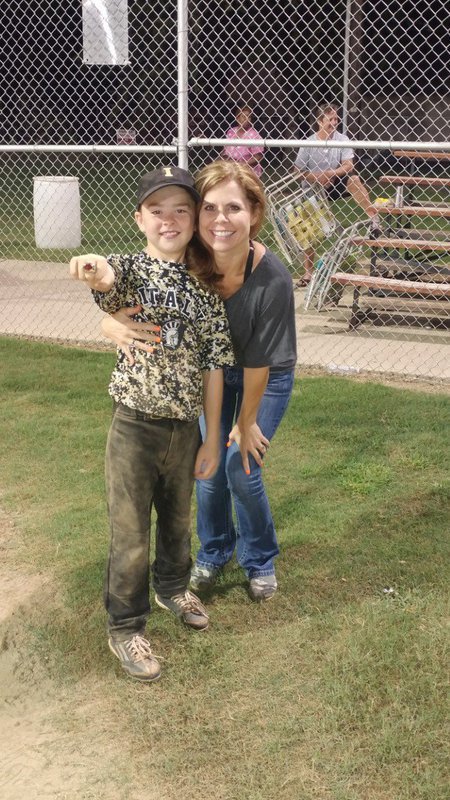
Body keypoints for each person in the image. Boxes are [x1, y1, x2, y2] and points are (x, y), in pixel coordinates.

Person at [100, 161, 297, 602]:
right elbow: (129, 285)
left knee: (240, 466)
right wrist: (109, 322)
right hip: (208, 375)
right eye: (209, 207)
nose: (220, 219)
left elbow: (259, 365)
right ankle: (214, 550)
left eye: (233, 208)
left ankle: (259, 558)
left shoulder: (273, 280)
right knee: (207, 468)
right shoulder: (186, 256)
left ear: (254, 214)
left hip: (264, 375)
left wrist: (245, 423)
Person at [69, 166, 234, 683]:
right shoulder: (132, 269)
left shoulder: (206, 287)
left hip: (185, 429)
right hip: (134, 426)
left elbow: (213, 367)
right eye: (157, 211)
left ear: (195, 218)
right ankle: (125, 627)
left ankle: (172, 589)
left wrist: (210, 437)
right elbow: (106, 276)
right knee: (131, 532)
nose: (169, 220)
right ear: (139, 219)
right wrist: (92, 268)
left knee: (179, 522)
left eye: (181, 210)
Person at [294, 102, 381, 286]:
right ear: (320, 121)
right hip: (313, 186)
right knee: (308, 226)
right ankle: (308, 272)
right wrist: (317, 177)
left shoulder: (342, 139)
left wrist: (331, 174)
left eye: (336, 119)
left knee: (354, 179)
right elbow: (298, 170)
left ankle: (373, 217)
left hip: (334, 181)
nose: (334, 122)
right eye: (330, 119)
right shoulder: (309, 142)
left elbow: (348, 165)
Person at [221, 105, 264, 177]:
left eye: (249, 117)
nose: (247, 119)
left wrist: (241, 165)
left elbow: (258, 157)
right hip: (231, 169)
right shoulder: (231, 132)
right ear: (237, 118)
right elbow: (224, 151)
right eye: (244, 116)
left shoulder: (254, 135)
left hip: (247, 171)